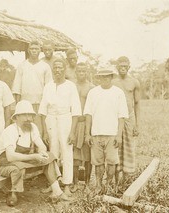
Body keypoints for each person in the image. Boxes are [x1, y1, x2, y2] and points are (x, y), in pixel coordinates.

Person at [0, 100, 71, 206]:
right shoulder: (10, 131)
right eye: (24, 115)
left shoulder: (32, 128)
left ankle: (57, 191)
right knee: (17, 169)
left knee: (49, 157)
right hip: (6, 164)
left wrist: (41, 153)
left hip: (23, 160)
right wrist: (34, 156)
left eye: (30, 115)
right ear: (16, 117)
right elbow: (10, 156)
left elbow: (42, 146)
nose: (28, 118)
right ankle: (13, 194)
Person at [39, 58, 81, 196]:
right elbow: (43, 111)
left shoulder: (70, 86)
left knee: (66, 151)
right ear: (52, 70)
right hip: (51, 120)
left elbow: (75, 111)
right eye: (55, 67)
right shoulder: (48, 86)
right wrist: (44, 131)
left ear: (64, 69)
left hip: (65, 119)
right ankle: (54, 184)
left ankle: (67, 185)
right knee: (53, 152)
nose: (57, 70)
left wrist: (73, 132)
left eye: (60, 67)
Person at [84, 70, 128, 194]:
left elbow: (122, 116)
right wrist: (88, 134)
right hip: (96, 133)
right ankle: (98, 185)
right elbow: (88, 114)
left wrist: (119, 135)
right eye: (102, 77)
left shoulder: (118, 93)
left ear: (111, 77)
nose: (105, 79)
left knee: (112, 162)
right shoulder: (93, 92)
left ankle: (108, 185)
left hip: (112, 134)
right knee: (98, 163)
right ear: (98, 78)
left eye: (107, 76)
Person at [12, 41, 52, 137]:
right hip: (25, 104)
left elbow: (49, 88)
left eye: (36, 49)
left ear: (40, 50)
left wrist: (46, 105)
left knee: (39, 130)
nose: (34, 51)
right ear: (28, 50)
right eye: (32, 48)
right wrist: (18, 106)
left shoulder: (45, 66)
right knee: (26, 130)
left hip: (40, 103)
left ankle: (39, 149)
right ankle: (28, 149)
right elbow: (17, 88)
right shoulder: (22, 66)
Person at [112, 56, 141, 189]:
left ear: (129, 67)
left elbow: (137, 104)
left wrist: (137, 125)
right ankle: (115, 180)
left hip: (129, 118)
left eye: (125, 66)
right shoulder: (112, 82)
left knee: (128, 147)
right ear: (117, 67)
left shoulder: (134, 82)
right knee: (115, 146)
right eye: (120, 66)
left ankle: (126, 180)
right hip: (115, 118)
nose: (122, 68)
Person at [71, 62, 95, 192]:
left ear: (87, 72)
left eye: (83, 71)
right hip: (74, 122)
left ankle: (86, 184)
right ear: (75, 72)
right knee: (74, 155)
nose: (81, 73)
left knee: (87, 156)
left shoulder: (92, 87)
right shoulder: (71, 86)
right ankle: (75, 183)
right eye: (79, 71)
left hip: (87, 123)